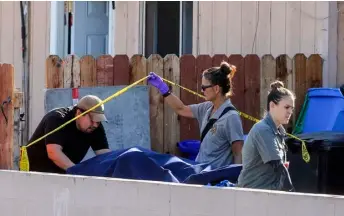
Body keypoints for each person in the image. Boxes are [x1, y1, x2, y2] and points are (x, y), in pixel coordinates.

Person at [147, 61, 244, 168]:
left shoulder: (231, 117)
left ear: (216, 89)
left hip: (215, 179)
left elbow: (238, 154)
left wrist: (236, 181)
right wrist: (164, 89)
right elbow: (181, 109)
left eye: (204, 87)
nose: (202, 91)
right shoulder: (207, 108)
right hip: (200, 172)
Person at [26, 95, 111, 174]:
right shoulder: (57, 119)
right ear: (78, 113)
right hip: (34, 172)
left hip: (64, 174)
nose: (95, 125)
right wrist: (78, 172)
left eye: (98, 121)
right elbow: (53, 153)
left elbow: (104, 155)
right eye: (92, 120)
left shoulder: (95, 127)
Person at [237, 80, 294, 191]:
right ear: (272, 105)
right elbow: (279, 167)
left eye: (292, 108)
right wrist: (293, 193)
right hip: (251, 194)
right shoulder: (263, 130)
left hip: (267, 194)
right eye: (286, 107)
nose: (290, 112)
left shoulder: (279, 131)